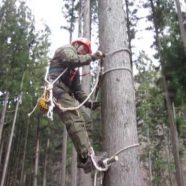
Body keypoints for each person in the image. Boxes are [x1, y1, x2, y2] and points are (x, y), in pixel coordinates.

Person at [48, 38, 104, 173]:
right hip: (57, 91)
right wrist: (92, 57)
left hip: (65, 94)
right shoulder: (66, 49)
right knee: (75, 120)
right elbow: (72, 59)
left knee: (87, 122)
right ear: (76, 44)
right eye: (84, 49)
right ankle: (87, 157)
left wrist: (89, 103)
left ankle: (83, 159)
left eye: (86, 51)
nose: (84, 52)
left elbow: (77, 90)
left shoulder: (74, 71)